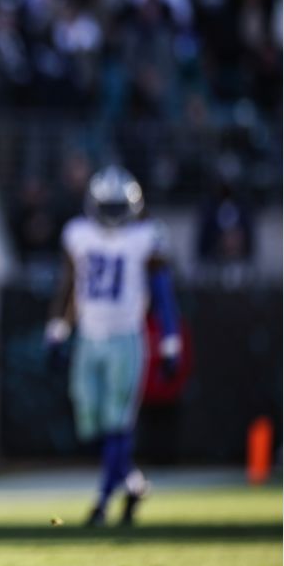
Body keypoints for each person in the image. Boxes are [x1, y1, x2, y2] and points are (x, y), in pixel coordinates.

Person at [45, 165, 181, 527]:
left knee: (118, 423)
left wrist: (170, 341)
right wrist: (58, 329)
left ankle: (102, 502)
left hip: (126, 338)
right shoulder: (78, 234)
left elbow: (163, 293)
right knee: (91, 422)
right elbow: (70, 284)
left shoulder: (146, 237)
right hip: (89, 336)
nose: (112, 212)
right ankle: (133, 484)